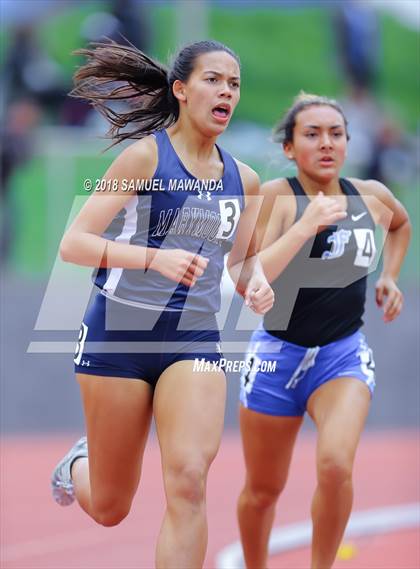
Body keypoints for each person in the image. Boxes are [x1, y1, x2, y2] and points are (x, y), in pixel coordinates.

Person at [51, 39, 274, 569]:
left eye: (234, 84)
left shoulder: (245, 180)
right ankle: (76, 465)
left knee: (190, 480)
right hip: (118, 338)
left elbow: (243, 261)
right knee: (109, 506)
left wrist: (257, 283)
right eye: (213, 79)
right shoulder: (146, 156)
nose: (226, 91)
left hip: (192, 337)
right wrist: (152, 260)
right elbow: (74, 242)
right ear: (180, 89)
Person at [237, 93, 411, 569]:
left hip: (342, 354)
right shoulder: (276, 196)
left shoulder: (370, 196)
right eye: (311, 134)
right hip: (277, 355)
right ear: (290, 148)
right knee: (262, 489)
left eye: (336, 133)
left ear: (349, 143)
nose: (326, 143)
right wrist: (304, 226)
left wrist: (389, 275)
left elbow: (400, 224)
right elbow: (245, 278)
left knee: (335, 464)